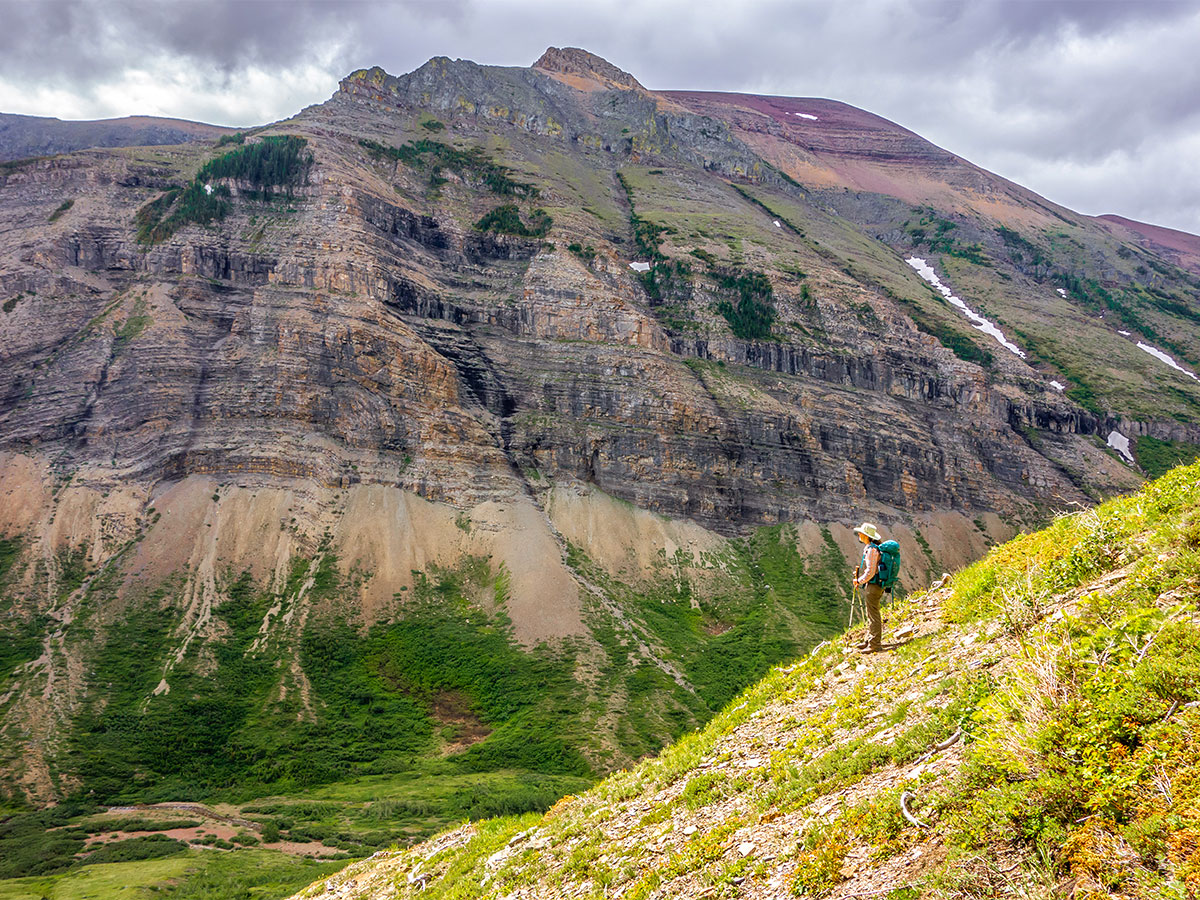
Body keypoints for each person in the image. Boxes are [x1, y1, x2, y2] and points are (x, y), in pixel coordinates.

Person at [852, 522, 885, 652]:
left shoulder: (872, 550)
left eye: (861, 533)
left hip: (874, 586)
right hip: (875, 585)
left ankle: (875, 644)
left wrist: (859, 581)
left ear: (866, 535)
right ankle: (870, 639)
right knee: (871, 612)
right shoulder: (872, 548)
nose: (859, 534)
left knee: (873, 614)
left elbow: (871, 571)